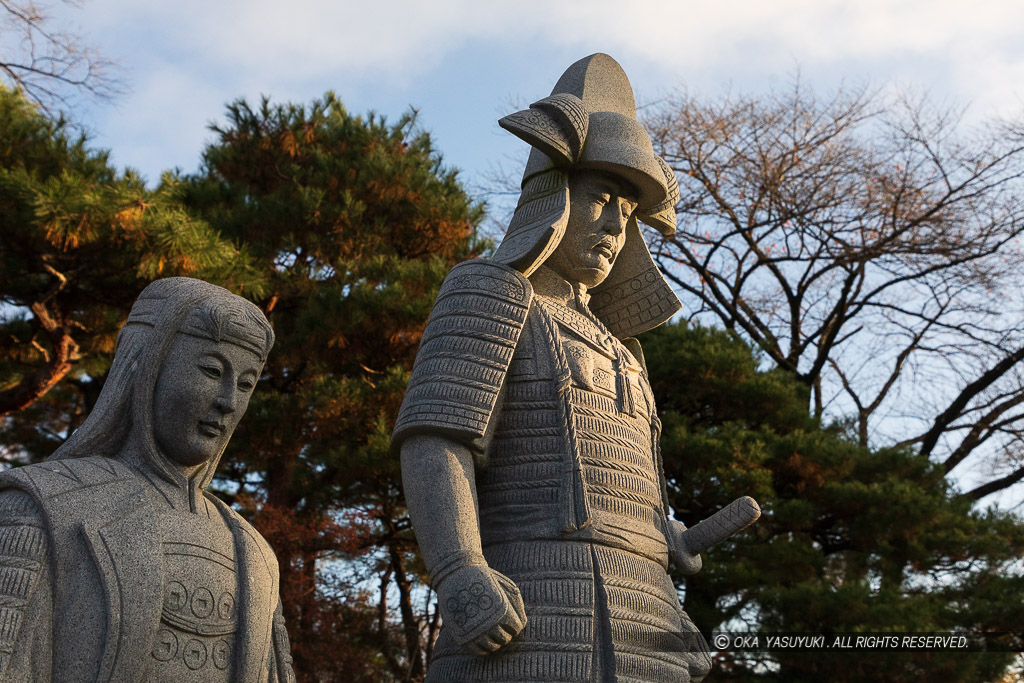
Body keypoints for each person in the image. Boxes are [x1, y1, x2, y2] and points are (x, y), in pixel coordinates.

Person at [394, 54, 712, 682]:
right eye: (600, 198)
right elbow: (436, 439)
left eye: (628, 210)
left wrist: (661, 537)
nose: (616, 225)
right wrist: (460, 569)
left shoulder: (628, 350)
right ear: (555, 195)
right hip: (530, 604)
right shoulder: (492, 291)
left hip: (646, 612)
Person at [0, 277, 295, 682]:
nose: (228, 400)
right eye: (211, 370)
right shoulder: (41, 508)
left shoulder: (254, 552)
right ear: (145, 365)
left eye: (246, 384)